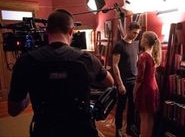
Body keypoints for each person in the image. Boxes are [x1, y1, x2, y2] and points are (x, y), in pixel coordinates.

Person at [8, 9, 114, 137]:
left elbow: (13, 110)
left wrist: (32, 89)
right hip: (81, 131)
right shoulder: (87, 59)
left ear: (47, 31)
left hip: (45, 131)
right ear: (71, 31)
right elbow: (110, 82)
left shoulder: (26, 61)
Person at [112, 21, 141, 137]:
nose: (135, 35)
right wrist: (120, 84)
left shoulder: (136, 44)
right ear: (128, 30)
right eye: (134, 32)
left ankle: (129, 128)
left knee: (133, 106)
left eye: (137, 33)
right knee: (121, 106)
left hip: (134, 80)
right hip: (123, 81)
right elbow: (114, 65)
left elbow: (136, 62)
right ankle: (118, 129)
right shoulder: (119, 45)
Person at [133, 31, 161, 137]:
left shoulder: (143, 56)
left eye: (142, 38)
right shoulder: (153, 55)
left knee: (143, 118)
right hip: (153, 88)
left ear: (145, 40)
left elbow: (140, 78)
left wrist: (134, 91)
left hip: (145, 89)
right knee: (150, 117)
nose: (140, 39)